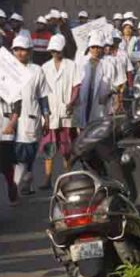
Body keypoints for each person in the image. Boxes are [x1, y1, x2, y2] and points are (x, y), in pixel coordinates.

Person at [39, 34, 81, 190]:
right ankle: (47, 179)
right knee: (48, 147)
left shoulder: (71, 65)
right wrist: (44, 112)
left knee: (66, 147)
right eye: (53, 51)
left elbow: (76, 86)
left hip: (65, 110)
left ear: (63, 50)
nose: (55, 53)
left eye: (58, 50)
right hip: (50, 112)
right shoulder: (44, 67)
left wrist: (71, 102)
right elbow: (42, 92)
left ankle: (68, 177)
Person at [10, 35, 50, 197]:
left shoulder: (36, 70)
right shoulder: (6, 69)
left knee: (27, 152)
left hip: (30, 116)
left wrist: (46, 116)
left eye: (23, 50)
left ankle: (25, 178)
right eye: (17, 50)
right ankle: (18, 184)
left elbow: (43, 96)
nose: (20, 53)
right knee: (12, 153)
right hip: (8, 119)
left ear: (30, 52)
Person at [77, 34, 124, 127]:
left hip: (102, 101)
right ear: (89, 48)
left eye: (98, 47)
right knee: (83, 125)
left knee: (99, 126)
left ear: (102, 48)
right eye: (93, 47)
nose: (95, 50)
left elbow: (118, 84)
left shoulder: (109, 64)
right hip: (84, 98)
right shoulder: (81, 62)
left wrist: (115, 99)